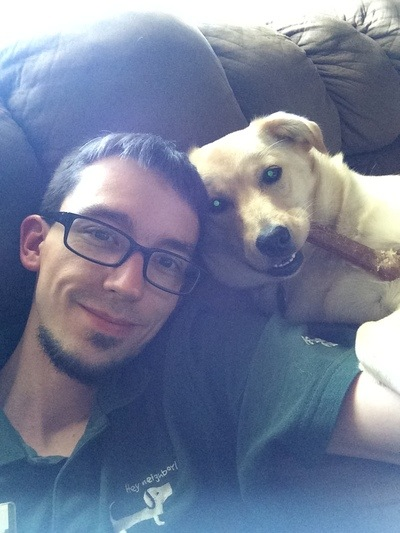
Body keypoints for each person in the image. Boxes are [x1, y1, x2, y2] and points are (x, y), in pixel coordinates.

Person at [1, 132, 400, 533]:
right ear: (35, 243)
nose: (128, 285)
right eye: (101, 235)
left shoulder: (209, 359)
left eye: (167, 261)